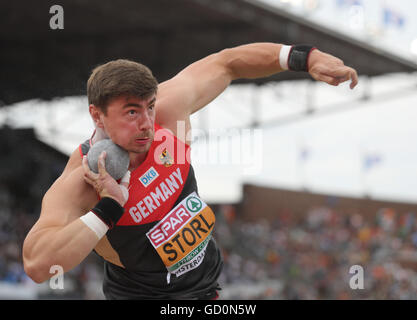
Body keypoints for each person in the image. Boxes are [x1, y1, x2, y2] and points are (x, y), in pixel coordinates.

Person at [22, 43, 358, 299]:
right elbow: (38, 265)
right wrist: (108, 208)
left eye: (149, 106)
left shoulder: (169, 113)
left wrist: (304, 57)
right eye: (131, 112)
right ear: (97, 116)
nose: (147, 124)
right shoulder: (84, 179)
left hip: (208, 291)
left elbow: (226, 63)